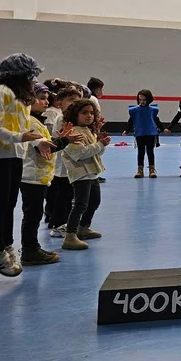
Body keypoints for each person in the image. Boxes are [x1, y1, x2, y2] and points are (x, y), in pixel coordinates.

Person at [0, 54, 50, 277]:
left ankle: (6, 244)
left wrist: (37, 141)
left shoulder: (20, 98)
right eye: (30, 76)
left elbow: (24, 129)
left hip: (15, 155)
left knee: (9, 204)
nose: (32, 81)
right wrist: (20, 138)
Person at [20, 84, 72, 266]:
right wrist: (65, 140)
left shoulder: (37, 121)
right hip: (32, 177)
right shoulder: (29, 121)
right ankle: (30, 250)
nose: (46, 102)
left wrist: (60, 139)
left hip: (39, 177)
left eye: (47, 98)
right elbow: (45, 147)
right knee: (32, 215)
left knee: (34, 213)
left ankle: (32, 247)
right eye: (41, 98)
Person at [60, 98, 110, 251]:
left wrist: (101, 143)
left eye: (92, 113)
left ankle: (83, 227)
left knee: (94, 201)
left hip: (92, 173)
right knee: (80, 205)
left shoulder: (88, 130)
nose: (89, 116)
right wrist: (99, 144)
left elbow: (96, 152)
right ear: (75, 114)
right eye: (84, 113)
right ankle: (70, 235)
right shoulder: (72, 132)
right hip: (81, 174)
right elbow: (80, 154)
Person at [46, 86, 83, 236]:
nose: (75, 103)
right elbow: (60, 140)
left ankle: (63, 222)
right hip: (63, 165)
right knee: (63, 195)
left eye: (78, 100)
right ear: (60, 104)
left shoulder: (74, 118)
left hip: (73, 163)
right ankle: (58, 225)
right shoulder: (62, 119)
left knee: (69, 196)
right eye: (71, 100)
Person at [123, 89, 166, 178]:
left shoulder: (152, 110)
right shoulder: (135, 110)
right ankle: (140, 170)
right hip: (140, 134)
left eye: (144, 100)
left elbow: (156, 120)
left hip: (150, 133)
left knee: (150, 152)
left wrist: (163, 129)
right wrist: (127, 130)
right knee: (141, 152)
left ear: (149, 100)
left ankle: (152, 169)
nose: (142, 102)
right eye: (140, 100)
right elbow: (131, 121)